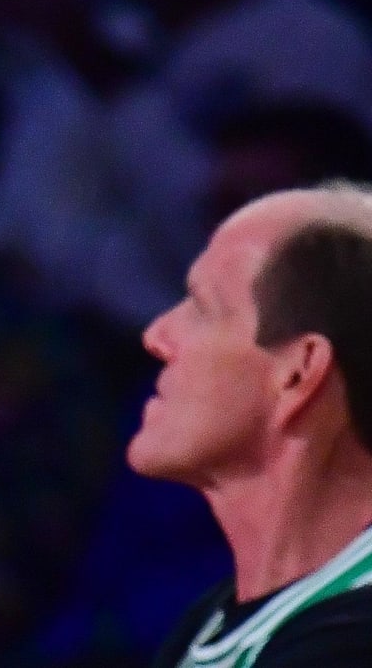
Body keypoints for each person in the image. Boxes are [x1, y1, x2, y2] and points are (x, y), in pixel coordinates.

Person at [127, 182, 372, 666]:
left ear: (298, 372)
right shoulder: (215, 619)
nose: (156, 335)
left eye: (201, 308)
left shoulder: (352, 640)